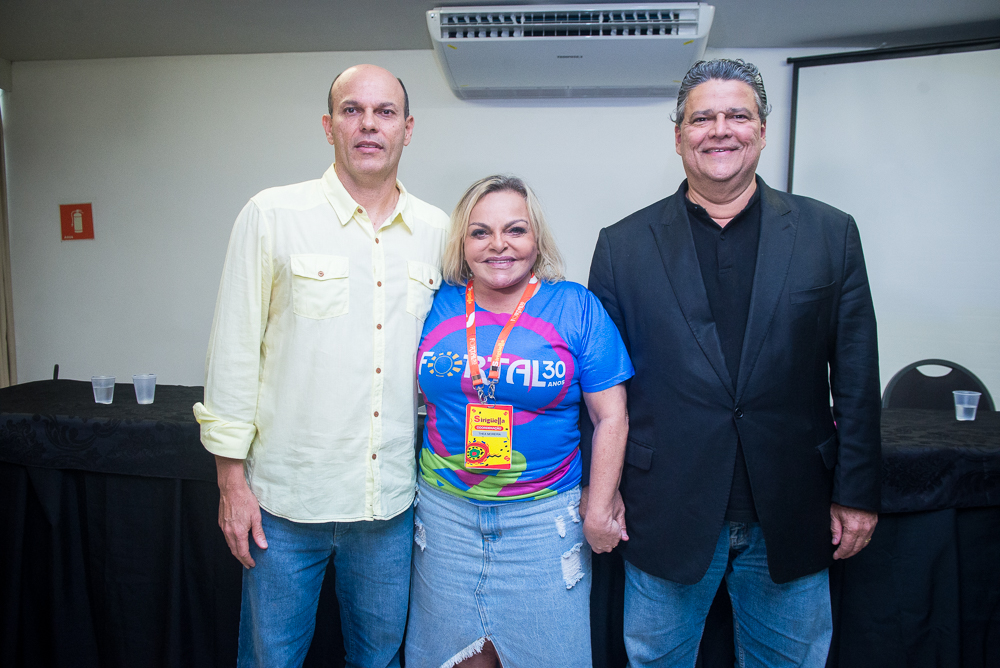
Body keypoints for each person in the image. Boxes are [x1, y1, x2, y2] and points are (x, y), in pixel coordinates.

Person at [585, 59, 881, 666]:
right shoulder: (622, 246)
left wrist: (858, 493)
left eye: (737, 115)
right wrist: (600, 488)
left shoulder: (831, 234)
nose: (720, 130)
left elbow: (856, 378)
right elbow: (599, 389)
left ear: (762, 131)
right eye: (702, 119)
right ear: (678, 137)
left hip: (794, 511)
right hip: (662, 510)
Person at [192, 64, 449, 668]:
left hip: (389, 505)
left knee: (380, 659)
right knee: (270, 660)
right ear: (329, 126)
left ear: (408, 128)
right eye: (352, 110)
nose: (369, 124)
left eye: (385, 112)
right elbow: (234, 352)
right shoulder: (273, 214)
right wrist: (231, 483)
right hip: (284, 504)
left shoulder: (438, 231)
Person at [404, 175, 633, 667]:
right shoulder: (434, 303)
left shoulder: (574, 306)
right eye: (480, 232)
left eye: (515, 229)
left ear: (537, 238)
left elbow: (611, 415)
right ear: (462, 243)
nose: (498, 244)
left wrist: (599, 507)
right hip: (445, 521)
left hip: (542, 524)